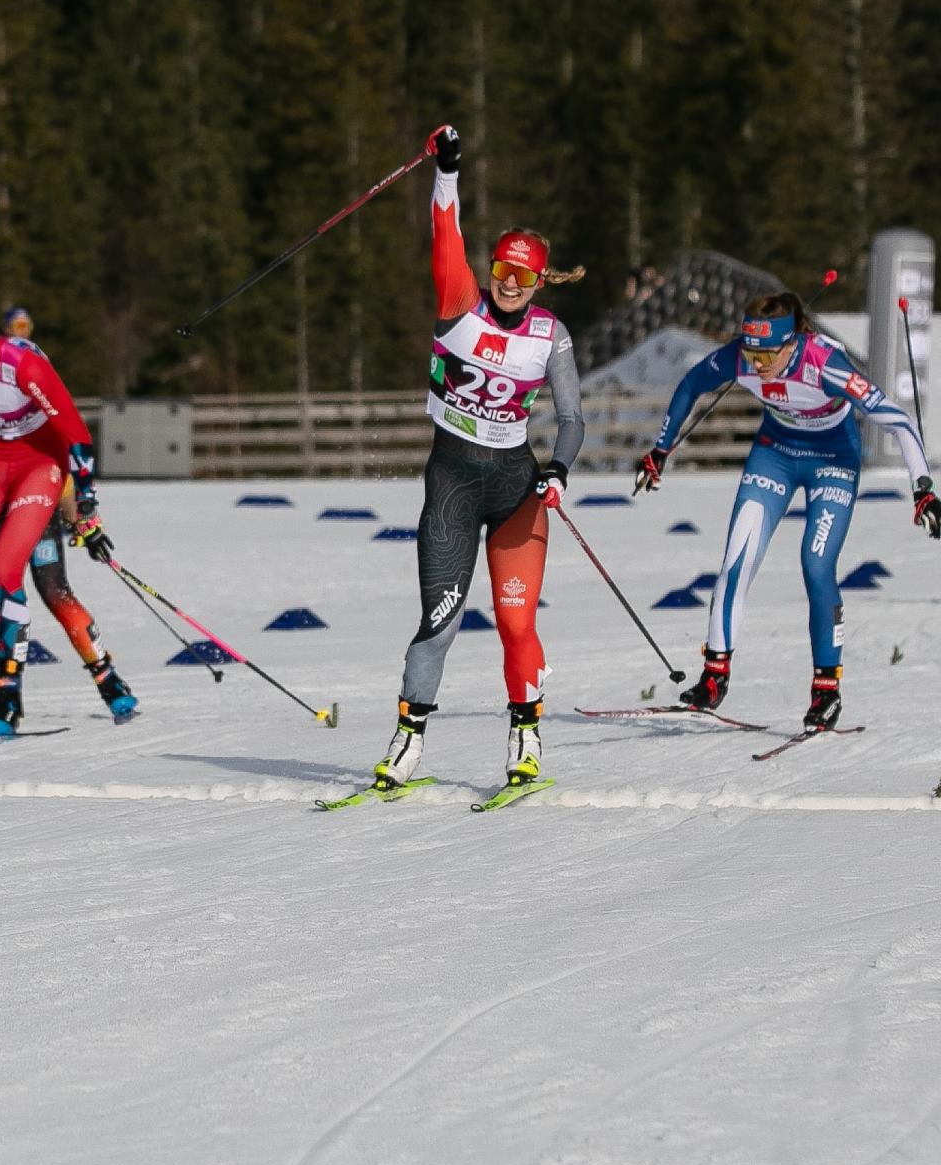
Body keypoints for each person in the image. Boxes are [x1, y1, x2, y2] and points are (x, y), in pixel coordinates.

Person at [370, 124, 586, 787]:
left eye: (522, 275)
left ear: (539, 278)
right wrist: (448, 171)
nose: (509, 284)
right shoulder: (459, 305)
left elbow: (573, 419)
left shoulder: (551, 337)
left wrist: (557, 468)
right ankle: (407, 745)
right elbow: (446, 234)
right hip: (453, 484)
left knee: (516, 623)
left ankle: (526, 741)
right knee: (439, 621)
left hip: (517, 489)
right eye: (501, 270)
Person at [635, 291, 941, 731]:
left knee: (816, 566)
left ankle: (826, 690)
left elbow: (898, 420)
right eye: (750, 352)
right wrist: (661, 450)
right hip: (774, 455)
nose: (756, 364)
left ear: (793, 342)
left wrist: (923, 490)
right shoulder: (740, 356)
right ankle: (714, 677)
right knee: (736, 562)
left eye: (767, 355)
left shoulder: (825, 364)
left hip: (833, 461)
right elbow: (690, 385)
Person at [0, 309, 138, 721]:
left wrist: (85, 507)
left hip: (40, 471)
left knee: (42, 584)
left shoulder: (24, 366)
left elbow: (77, 436)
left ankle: (102, 677)